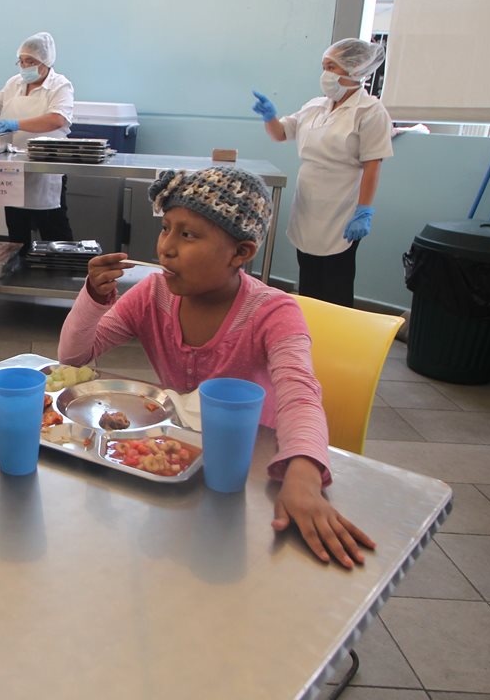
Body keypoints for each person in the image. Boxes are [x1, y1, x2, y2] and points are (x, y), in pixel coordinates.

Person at [58, 167, 375, 569]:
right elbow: (74, 357)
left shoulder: (274, 312)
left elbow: (301, 395)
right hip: (182, 458)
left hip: (252, 466)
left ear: (240, 253)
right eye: (166, 228)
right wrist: (91, 297)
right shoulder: (152, 293)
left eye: (188, 235)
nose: (166, 249)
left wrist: (304, 479)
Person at [252, 38, 393, 307]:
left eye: (332, 66)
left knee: (335, 282)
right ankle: (307, 335)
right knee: (308, 277)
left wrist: (364, 211)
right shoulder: (315, 105)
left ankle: (336, 338)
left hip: (341, 208)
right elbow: (281, 134)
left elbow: (373, 164)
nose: (325, 74)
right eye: (324, 66)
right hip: (308, 204)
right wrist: (269, 116)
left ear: (354, 70)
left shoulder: (370, 111)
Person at [0, 32, 75, 244]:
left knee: (53, 228)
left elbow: (57, 119)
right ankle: (18, 271)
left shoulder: (60, 85)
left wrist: (16, 123)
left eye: (31, 61)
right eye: (22, 61)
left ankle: (61, 272)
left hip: (46, 168)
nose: (25, 66)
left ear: (46, 61)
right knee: (17, 230)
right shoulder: (14, 83)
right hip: (13, 168)